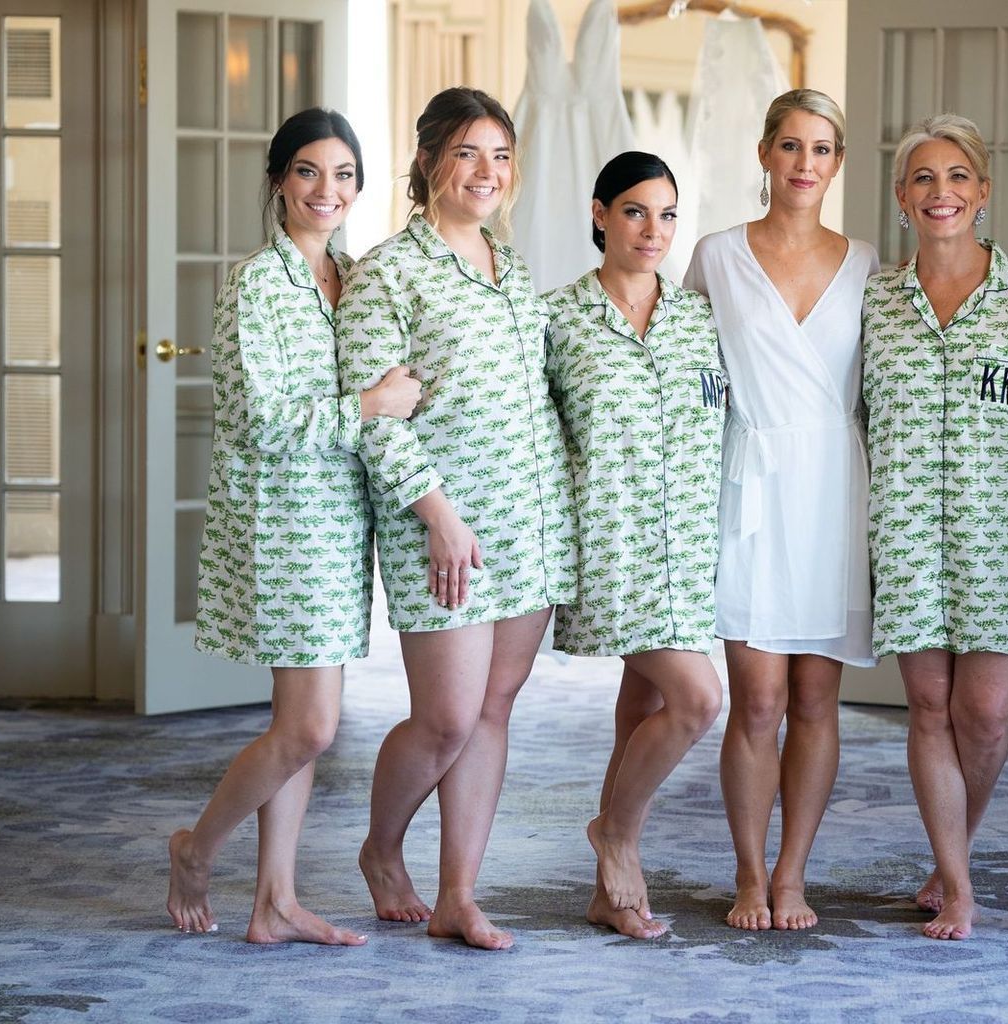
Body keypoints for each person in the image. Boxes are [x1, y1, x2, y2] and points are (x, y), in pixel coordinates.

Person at [168, 107, 422, 944]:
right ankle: (196, 849)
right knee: (310, 726)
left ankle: (273, 900)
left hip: (342, 521)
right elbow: (264, 417)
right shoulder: (256, 283)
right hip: (281, 520)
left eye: (344, 174)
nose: (328, 190)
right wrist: (371, 404)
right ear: (278, 180)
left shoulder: (351, 278)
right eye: (309, 171)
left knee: (300, 726)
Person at [336, 87, 577, 950]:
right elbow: (375, 415)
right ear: (431, 159)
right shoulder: (388, 272)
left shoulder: (509, 270)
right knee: (444, 716)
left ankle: (459, 894)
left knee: (491, 711)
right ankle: (380, 848)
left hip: (526, 523)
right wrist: (437, 516)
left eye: (501, 155)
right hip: (438, 526)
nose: (487, 172)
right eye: (470, 153)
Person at [684, 90, 879, 931]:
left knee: (814, 703)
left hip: (834, 487)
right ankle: (748, 873)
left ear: (838, 163)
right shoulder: (716, 255)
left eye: (823, 149)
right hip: (752, 485)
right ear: (764, 154)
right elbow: (674, 362)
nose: (806, 164)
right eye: (791, 146)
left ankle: (794, 874)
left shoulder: (870, 263)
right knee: (755, 702)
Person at [862, 115, 1008, 941]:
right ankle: (956, 881)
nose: (939, 193)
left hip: (999, 536)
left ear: (982, 193)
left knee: (984, 715)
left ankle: (953, 856)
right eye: (922, 179)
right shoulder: (871, 300)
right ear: (903, 199)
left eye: (955, 178)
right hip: (905, 533)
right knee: (928, 705)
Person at [544, 151, 726, 939]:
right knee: (697, 700)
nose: (654, 231)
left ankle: (609, 893)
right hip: (608, 547)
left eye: (667, 215)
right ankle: (614, 834)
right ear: (598, 214)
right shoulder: (555, 320)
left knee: (643, 710)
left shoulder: (698, 318)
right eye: (635, 212)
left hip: (686, 550)